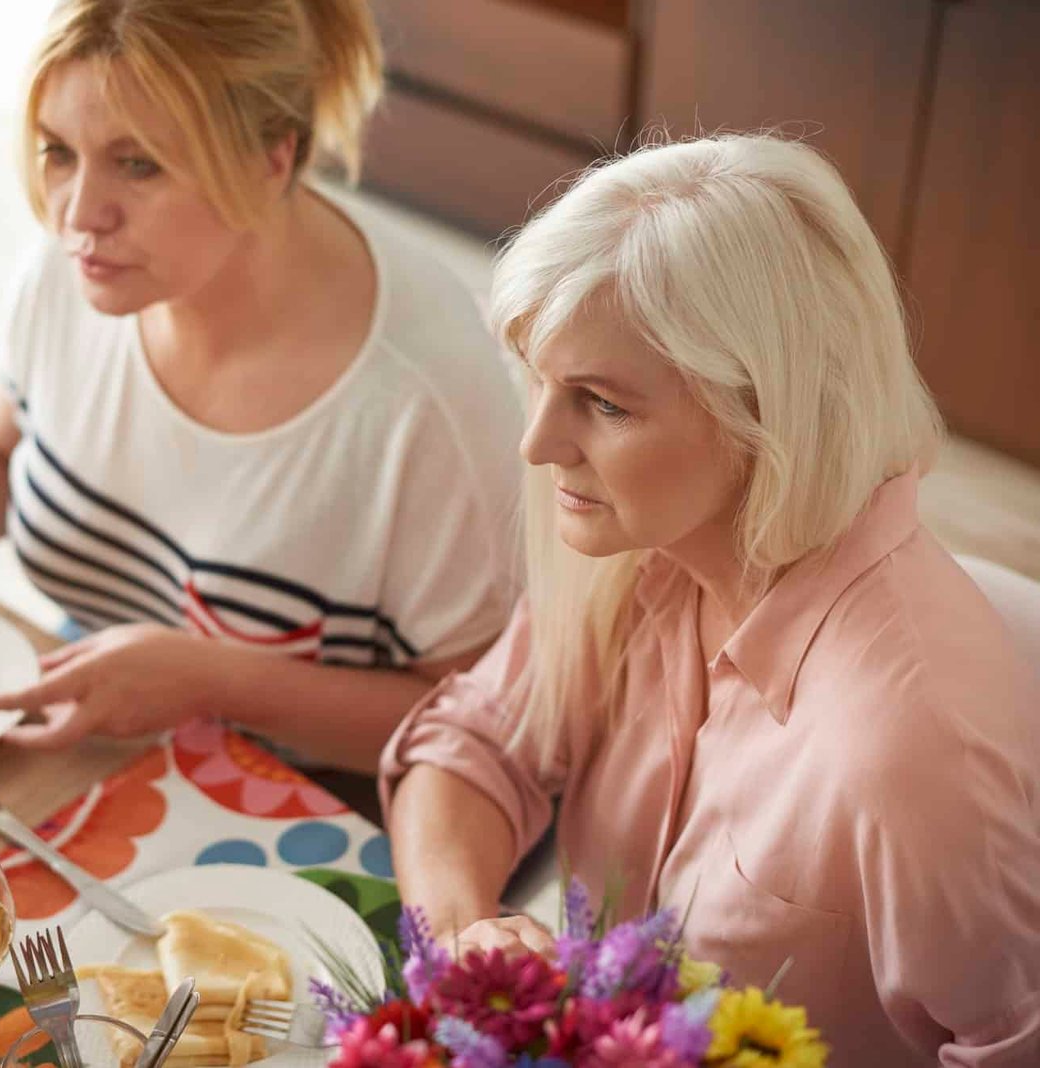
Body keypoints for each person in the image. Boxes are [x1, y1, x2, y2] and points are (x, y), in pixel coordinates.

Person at [381, 134, 1040, 1064]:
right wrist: (462, 934)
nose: (537, 443)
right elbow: (474, 745)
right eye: (540, 379)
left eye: (602, 403)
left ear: (767, 412)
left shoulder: (912, 753)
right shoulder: (637, 547)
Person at [0, 0, 523, 772]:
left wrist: (207, 681)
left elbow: (480, 723)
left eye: (139, 163)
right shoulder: (73, 274)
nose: (80, 214)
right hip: (99, 740)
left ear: (272, 160)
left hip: (318, 808)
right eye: (58, 151)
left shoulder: (424, 400)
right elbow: (1, 452)